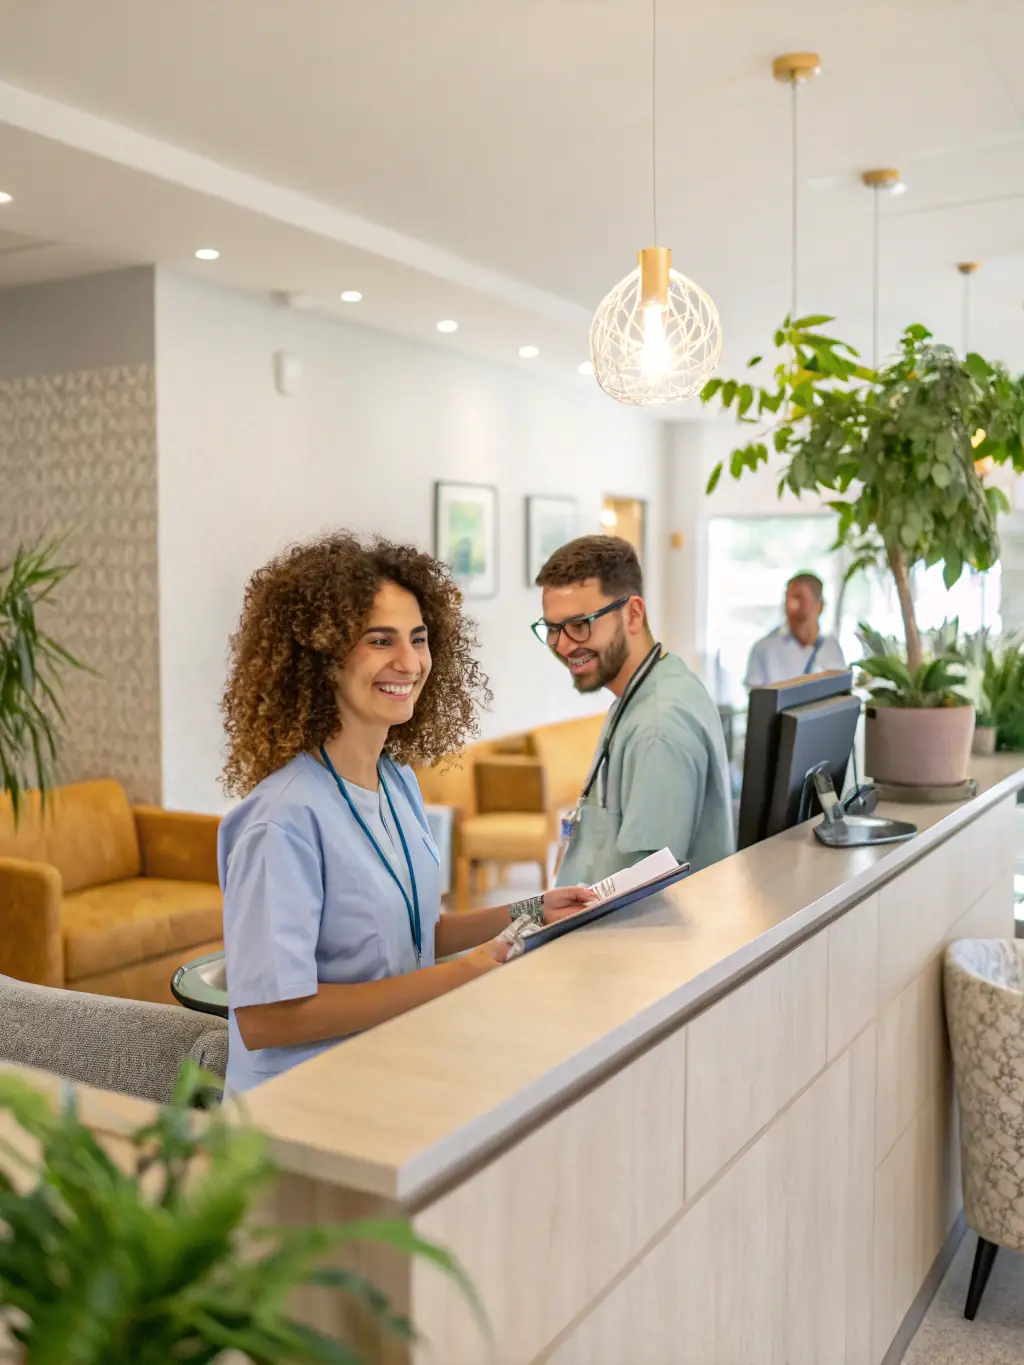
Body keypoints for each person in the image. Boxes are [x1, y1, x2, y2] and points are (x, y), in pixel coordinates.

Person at [218, 533, 592, 1093]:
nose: (410, 662)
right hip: (298, 1107)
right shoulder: (282, 819)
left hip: (389, 1073)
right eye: (380, 640)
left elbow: (416, 932)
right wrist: (462, 974)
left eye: (418, 639)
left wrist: (535, 908)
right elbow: (267, 1017)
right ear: (321, 656)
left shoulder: (396, 783)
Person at [533, 535, 734, 887]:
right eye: (552, 629)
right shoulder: (649, 687)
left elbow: (644, 896)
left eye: (580, 625)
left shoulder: (658, 727)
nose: (563, 645)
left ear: (634, 614)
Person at [744, 571, 846, 689]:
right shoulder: (764, 649)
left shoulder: (831, 647)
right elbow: (756, 700)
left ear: (819, 606)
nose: (790, 606)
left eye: (799, 598)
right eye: (787, 598)